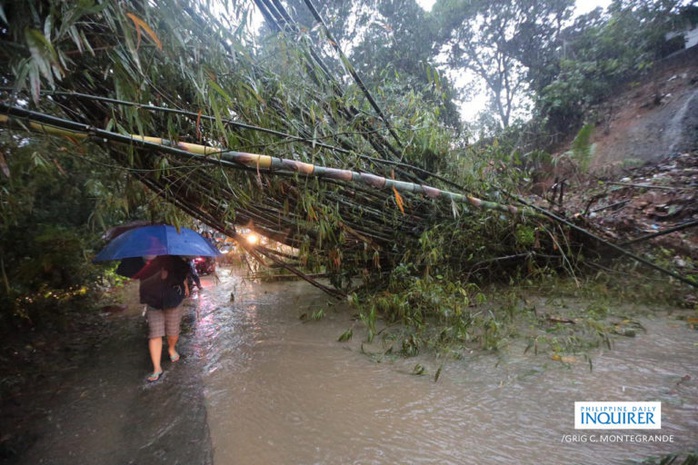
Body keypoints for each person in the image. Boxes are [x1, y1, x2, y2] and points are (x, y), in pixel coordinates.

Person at [134, 255, 191, 382]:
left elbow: (183, 272)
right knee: (155, 333)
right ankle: (157, 368)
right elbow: (138, 276)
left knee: (173, 332)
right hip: (153, 300)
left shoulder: (175, 259)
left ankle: (171, 348)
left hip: (173, 299)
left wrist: (183, 283)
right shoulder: (144, 258)